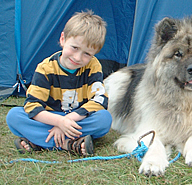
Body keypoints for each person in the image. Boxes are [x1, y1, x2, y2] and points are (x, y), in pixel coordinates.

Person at [6, 10, 112, 156]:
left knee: (104, 119)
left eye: (87, 53)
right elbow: (32, 105)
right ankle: (71, 144)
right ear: (63, 39)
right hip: (49, 118)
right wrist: (58, 121)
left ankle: (38, 141)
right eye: (74, 48)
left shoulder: (93, 66)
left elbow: (100, 100)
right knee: (14, 117)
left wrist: (66, 121)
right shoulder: (45, 68)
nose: (77, 57)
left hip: (76, 119)